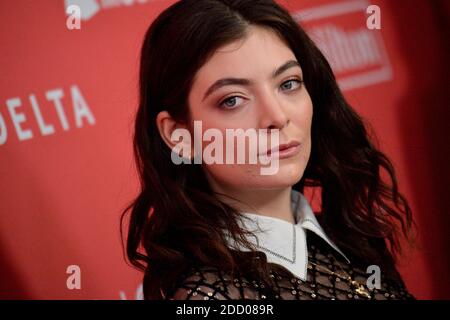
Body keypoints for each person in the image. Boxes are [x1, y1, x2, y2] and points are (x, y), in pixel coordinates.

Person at [121, 0, 415, 300]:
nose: (276, 116)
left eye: (288, 83)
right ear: (180, 135)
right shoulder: (210, 296)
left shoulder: (351, 239)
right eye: (233, 100)